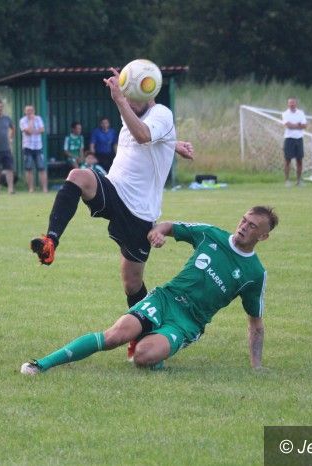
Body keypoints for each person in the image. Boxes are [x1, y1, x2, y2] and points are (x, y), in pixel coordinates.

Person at [30, 67, 195, 356]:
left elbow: (143, 135)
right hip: (114, 188)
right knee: (78, 176)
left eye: (133, 98)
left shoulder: (162, 113)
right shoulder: (132, 109)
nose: (128, 102)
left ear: (149, 94)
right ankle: (50, 241)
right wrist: (173, 144)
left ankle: (141, 333)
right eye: (126, 97)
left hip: (139, 213)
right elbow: (143, 135)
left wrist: (121, 102)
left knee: (132, 283)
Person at [21, 206, 278, 375]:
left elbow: (255, 323)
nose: (243, 226)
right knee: (115, 336)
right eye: (244, 220)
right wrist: (156, 233)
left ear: (263, 236)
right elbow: (168, 226)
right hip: (165, 299)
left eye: (252, 226)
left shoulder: (255, 274)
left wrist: (256, 366)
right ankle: (41, 365)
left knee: (142, 357)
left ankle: (156, 350)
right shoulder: (211, 235)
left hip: (188, 323)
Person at [19, 105, 48, 193]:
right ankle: (31, 188)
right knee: (29, 168)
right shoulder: (23, 120)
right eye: (28, 111)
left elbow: (42, 129)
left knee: (42, 168)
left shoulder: (38, 118)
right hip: (27, 147)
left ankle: (44, 189)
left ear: (34, 111)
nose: (29, 112)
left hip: (38, 147)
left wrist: (33, 131)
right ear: (25, 112)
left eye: (31, 110)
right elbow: (28, 132)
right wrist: (31, 121)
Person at [282, 98, 308, 186]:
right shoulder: (285, 114)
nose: (292, 104)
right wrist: (298, 125)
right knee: (287, 160)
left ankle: (299, 181)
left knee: (299, 160)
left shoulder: (301, 113)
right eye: (290, 103)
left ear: (296, 104)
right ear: (288, 104)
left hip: (299, 139)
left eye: (293, 103)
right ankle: (287, 181)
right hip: (289, 138)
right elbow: (288, 126)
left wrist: (295, 125)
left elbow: (304, 125)